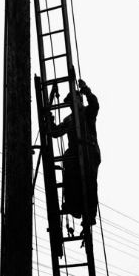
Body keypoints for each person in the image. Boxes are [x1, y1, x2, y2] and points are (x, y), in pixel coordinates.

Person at [50, 79, 101, 226]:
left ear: (79, 100)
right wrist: (50, 121)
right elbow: (55, 133)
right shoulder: (69, 119)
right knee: (71, 176)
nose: (73, 105)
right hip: (74, 152)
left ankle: (89, 214)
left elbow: (95, 105)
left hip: (89, 150)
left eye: (74, 101)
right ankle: (74, 205)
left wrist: (86, 89)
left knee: (89, 181)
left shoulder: (87, 112)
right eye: (70, 103)